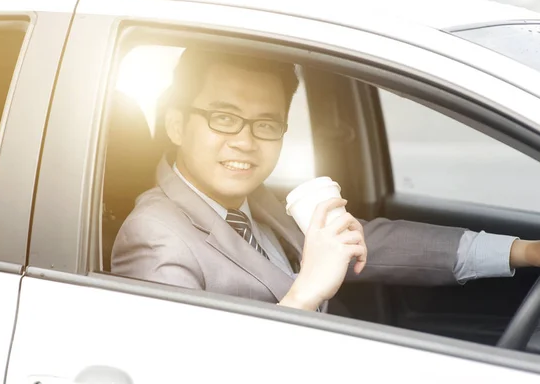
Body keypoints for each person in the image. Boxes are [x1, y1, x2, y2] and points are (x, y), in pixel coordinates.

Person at [111, 48, 540, 312]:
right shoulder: (153, 236)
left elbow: (367, 244)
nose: (245, 141)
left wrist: (520, 251)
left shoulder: (254, 202)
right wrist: (304, 295)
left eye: (266, 124)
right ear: (177, 126)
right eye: (224, 118)